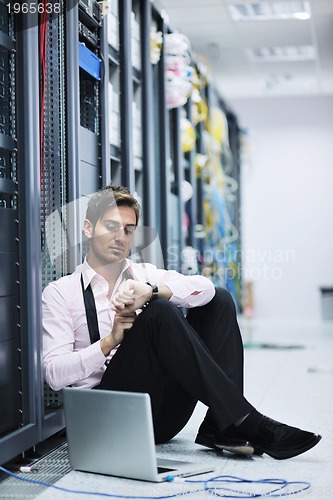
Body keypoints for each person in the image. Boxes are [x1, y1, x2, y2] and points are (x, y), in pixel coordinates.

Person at [42, 185, 321, 460]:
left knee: (219, 301)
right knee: (159, 312)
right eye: (111, 226)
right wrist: (110, 341)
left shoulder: (143, 273)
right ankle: (246, 419)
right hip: (109, 417)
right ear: (88, 228)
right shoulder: (61, 292)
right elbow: (53, 374)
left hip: (164, 417)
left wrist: (151, 291)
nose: (120, 237)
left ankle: (222, 426)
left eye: (128, 230)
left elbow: (206, 288)